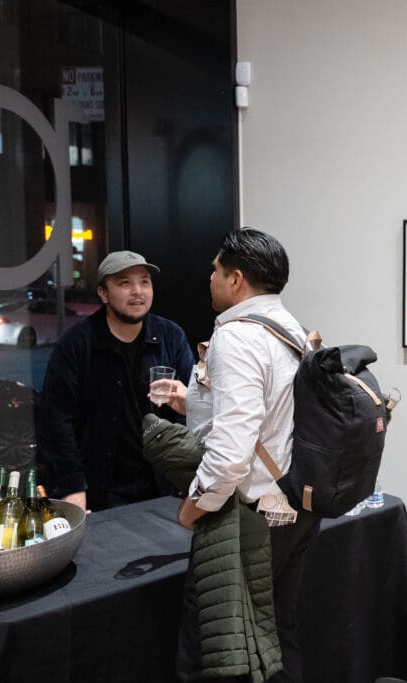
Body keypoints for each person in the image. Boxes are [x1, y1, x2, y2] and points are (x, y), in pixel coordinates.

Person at [156, 228, 318, 683]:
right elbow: (273, 414)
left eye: (215, 270)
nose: (209, 278)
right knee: (277, 633)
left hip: (247, 517)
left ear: (236, 279)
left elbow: (230, 454)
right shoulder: (295, 331)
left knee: (213, 647)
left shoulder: (237, 337)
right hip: (294, 507)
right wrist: (192, 402)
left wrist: (195, 506)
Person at [36, 250, 194, 512]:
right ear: (103, 293)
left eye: (144, 282)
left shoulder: (170, 336)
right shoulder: (77, 344)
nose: (137, 291)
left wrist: (182, 466)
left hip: (162, 484)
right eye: (124, 283)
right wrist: (73, 487)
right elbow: (56, 421)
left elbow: (194, 408)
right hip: (100, 488)